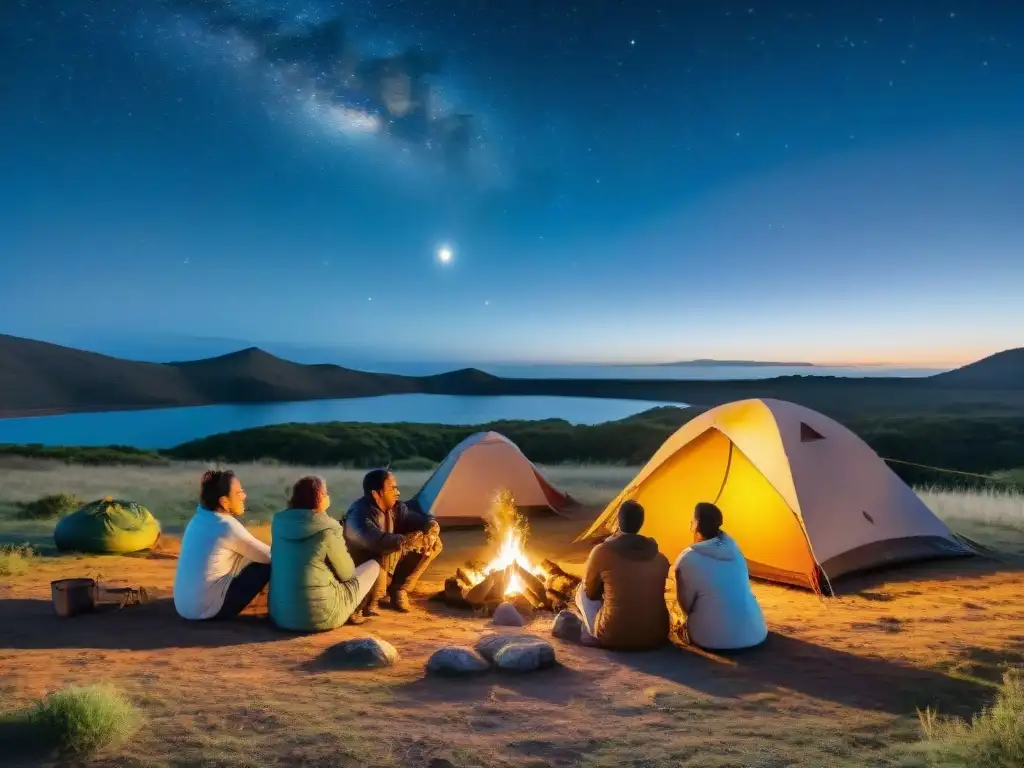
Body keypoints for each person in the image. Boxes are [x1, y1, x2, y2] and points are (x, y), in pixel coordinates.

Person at [268, 475, 381, 631]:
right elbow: (347, 573)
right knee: (373, 565)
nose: (328, 496)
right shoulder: (328, 528)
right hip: (322, 617)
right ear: (318, 497)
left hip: (280, 616)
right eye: (326, 493)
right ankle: (357, 610)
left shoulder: (279, 523)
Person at [173, 469, 271, 621]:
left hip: (184, 607)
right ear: (224, 502)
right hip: (209, 610)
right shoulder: (226, 526)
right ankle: (281, 610)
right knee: (270, 563)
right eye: (239, 493)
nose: (244, 496)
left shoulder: (198, 518)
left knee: (248, 557)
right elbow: (270, 557)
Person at [575, 499, 671, 650]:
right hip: (656, 635)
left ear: (618, 522)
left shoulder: (602, 551)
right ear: (641, 523)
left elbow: (591, 593)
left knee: (581, 590)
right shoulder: (660, 558)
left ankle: (591, 633)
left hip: (613, 636)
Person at [343, 468, 442, 614]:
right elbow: (375, 541)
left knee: (433, 543)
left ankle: (399, 589)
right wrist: (407, 542)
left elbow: (421, 519)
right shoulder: (358, 514)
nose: (398, 492)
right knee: (396, 548)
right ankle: (371, 601)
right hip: (364, 566)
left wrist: (431, 529)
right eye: (392, 488)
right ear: (376, 493)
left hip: (385, 561)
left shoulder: (395, 509)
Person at [673, 501, 768, 652]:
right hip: (755, 634)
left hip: (711, 639)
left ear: (696, 524)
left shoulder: (687, 559)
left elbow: (686, 606)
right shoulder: (734, 548)